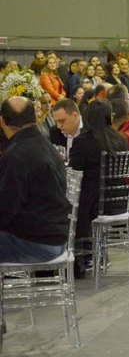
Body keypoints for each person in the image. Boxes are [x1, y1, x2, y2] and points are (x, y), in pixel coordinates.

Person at [0, 96, 70, 263]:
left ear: (2, 121)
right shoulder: (45, 144)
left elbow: (5, 209)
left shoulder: (16, 155)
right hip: (57, 238)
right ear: (36, 116)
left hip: (38, 244)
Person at [68, 99, 129, 241]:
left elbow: (73, 174)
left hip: (93, 206)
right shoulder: (121, 139)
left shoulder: (83, 141)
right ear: (109, 116)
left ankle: (81, 251)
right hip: (119, 202)